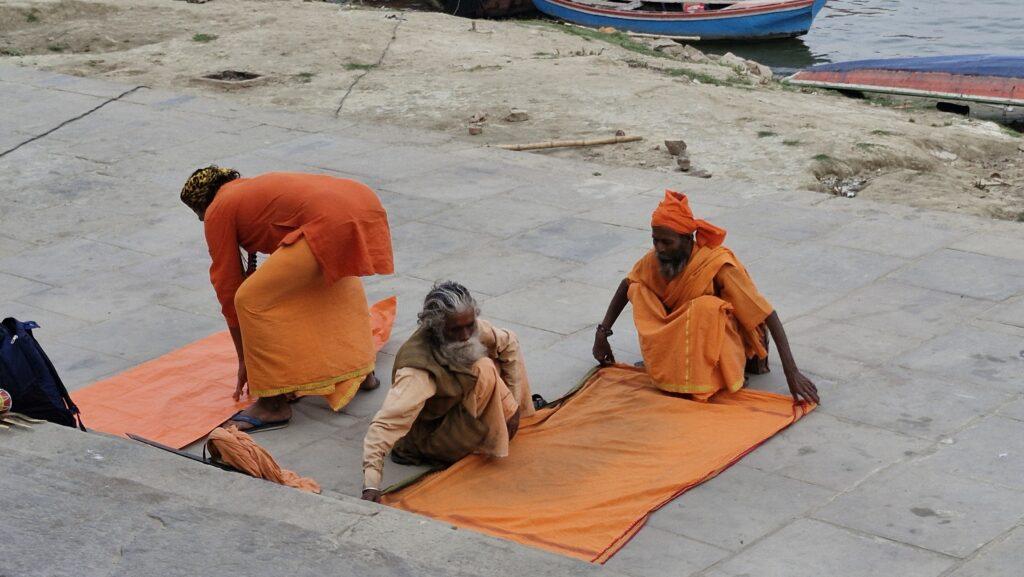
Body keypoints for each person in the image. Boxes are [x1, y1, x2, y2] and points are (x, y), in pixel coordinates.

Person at [180, 167, 394, 432]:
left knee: (250, 299)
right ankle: (361, 372)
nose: (202, 220)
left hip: (331, 219)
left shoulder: (218, 208)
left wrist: (245, 358)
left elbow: (228, 287)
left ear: (202, 205)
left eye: (198, 215)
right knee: (332, 282)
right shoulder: (246, 190)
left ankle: (272, 404)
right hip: (363, 201)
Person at [592, 190, 819, 404]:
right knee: (638, 291)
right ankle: (668, 365)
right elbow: (625, 286)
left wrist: (792, 372)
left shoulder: (717, 265)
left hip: (720, 344)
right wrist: (602, 334)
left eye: (666, 242)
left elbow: (767, 313)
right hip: (682, 339)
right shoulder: (653, 261)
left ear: (687, 240)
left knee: (705, 307)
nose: (659, 248)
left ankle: (713, 375)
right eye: (655, 240)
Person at [361, 281, 533, 502]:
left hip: (458, 404)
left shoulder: (470, 328)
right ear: (437, 328)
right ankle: (490, 434)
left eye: (469, 325)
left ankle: (507, 417)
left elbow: (509, 342)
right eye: (455, 330)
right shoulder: (417, 370)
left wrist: (514, 402)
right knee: (485, 368)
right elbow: (386, 423)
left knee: (491, 359)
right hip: (432, 436)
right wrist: (372, 484)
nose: (464, 336)